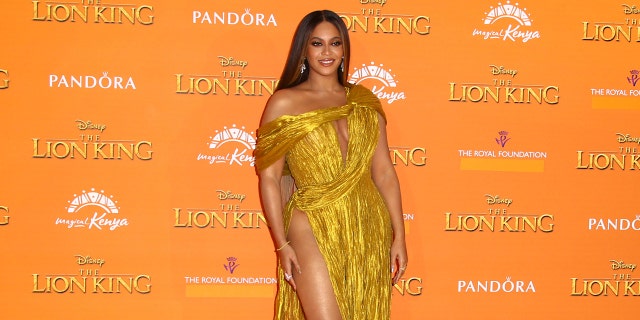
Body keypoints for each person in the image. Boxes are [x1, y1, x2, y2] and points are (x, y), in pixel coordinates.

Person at [254, 9, 407, 320]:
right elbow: (269, 178)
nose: (327, 52)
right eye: (317, 44)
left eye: (335, 43)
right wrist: (282, 245)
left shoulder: (364, 101)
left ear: (344, 49)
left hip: (368, 223)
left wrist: (399, 236)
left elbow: (384, 173)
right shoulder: (284, 102)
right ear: (304, 50)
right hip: (310, 218)